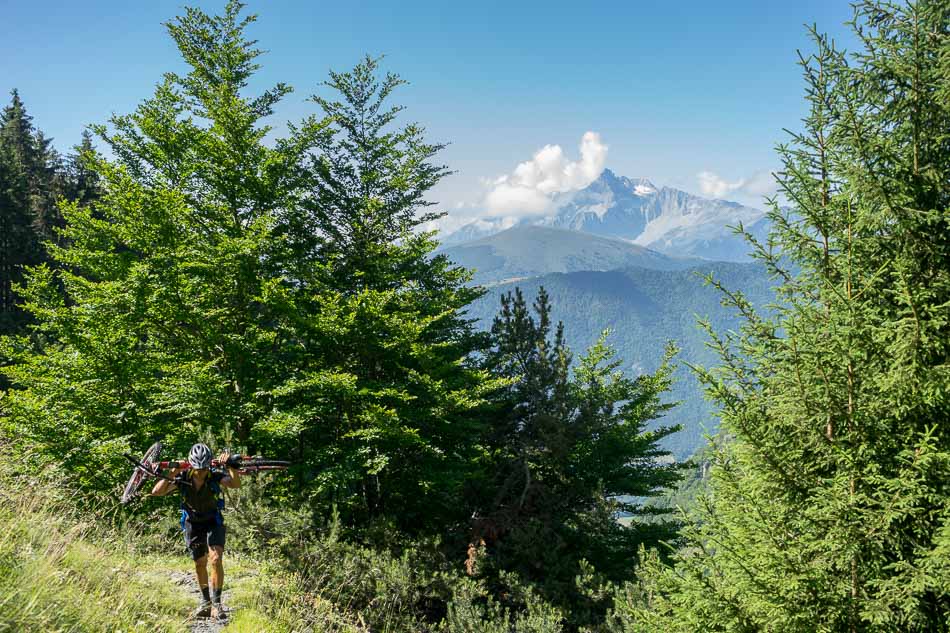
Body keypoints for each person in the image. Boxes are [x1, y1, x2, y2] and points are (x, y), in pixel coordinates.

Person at [151, 443, 241, 620]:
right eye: (197, 469)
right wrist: (172, 472)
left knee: (216, 559)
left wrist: (231, 467)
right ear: (191, 465)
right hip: (192, 522)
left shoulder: (215, 476)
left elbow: (234, 484)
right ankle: (205, 602)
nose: (200, 472)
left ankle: (217, 605)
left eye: (204, 468)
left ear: (208, 465)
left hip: (213, 520)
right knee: (200, 562)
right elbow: (157, 492)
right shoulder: (183, 477)